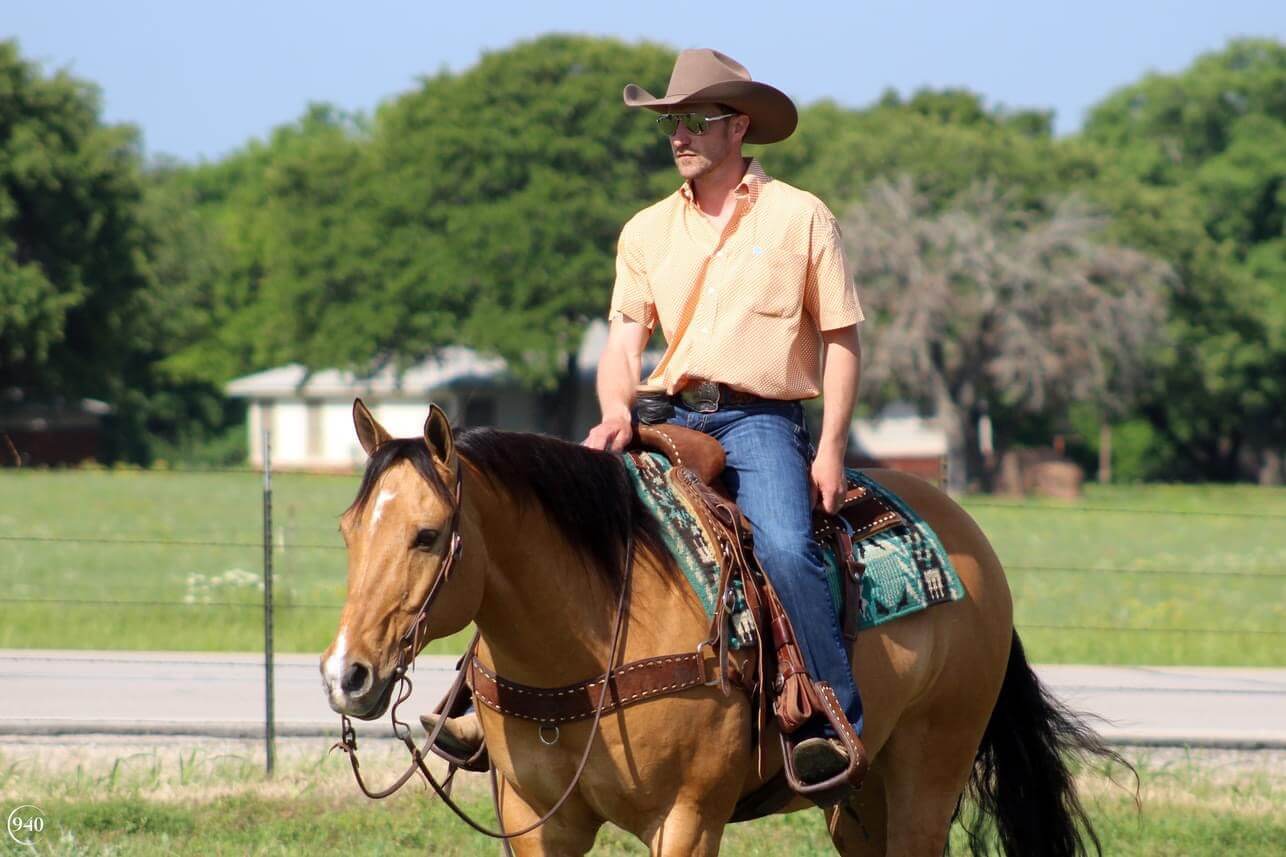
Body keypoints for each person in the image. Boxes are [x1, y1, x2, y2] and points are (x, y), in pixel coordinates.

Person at [427, 48, 866, 785]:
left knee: (787, 549)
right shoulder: (646, 230)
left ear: (739, 126)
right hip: (663, 416)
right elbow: (623, 344)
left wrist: (830, 449)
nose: (679, 136)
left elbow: (842, 341)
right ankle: (474, 701)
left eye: (696, 121)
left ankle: (829, 720)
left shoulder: (802, 216)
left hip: (759, 419)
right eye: (671, 123)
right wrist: (613, 413)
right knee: (547, 525)